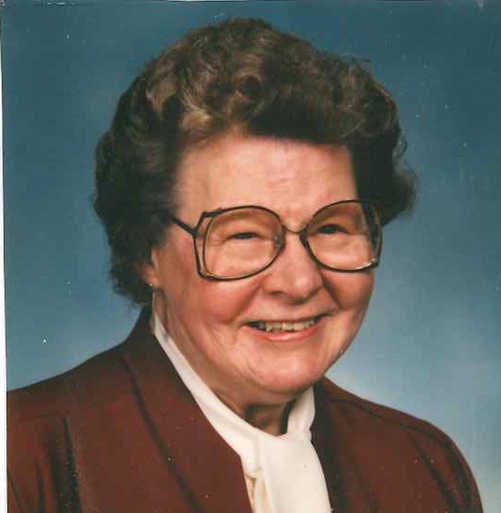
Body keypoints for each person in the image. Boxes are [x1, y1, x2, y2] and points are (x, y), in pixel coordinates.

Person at [7, 18, 483, 513]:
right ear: (146, 250)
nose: (299, 282)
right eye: (243, 234)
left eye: (332, 228)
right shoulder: (24, 460)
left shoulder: (424, 465)